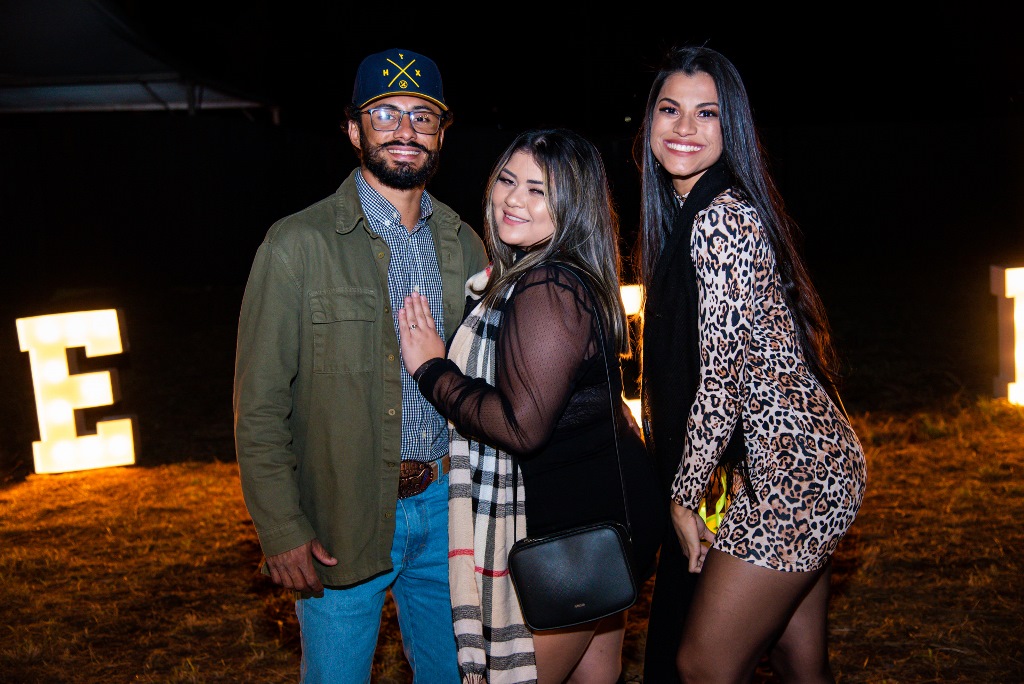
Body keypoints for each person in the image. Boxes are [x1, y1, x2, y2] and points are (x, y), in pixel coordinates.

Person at [233, 47, 489, 683]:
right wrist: (281, 526)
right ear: (354, 129)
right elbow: (259, 404)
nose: (405, 130)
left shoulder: (464, 244)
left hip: (448, 506)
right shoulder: (297, 246)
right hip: (342, 513)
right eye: (385, 114)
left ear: (441, 133)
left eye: (422, 117)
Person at [633, 45, 868, 683]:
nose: (684, 127)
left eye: (706, 113)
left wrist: (684, 497)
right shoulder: (701, 212)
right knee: (798, 660)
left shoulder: (719, 219)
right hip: (801, 460)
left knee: (703, 664)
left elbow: (723, 378)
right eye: (670, 110)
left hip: (795, 472)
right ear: (649, 121)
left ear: (729, 125)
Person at [397, 128, 665, 684]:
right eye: (506, 180)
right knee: (596, 675)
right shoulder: (562, 274)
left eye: (538, 190)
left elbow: (521, 427)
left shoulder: (548, 286)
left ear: (573, 205)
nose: (513, 199)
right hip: (606, 513)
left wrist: (432, 370)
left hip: (578, 533)